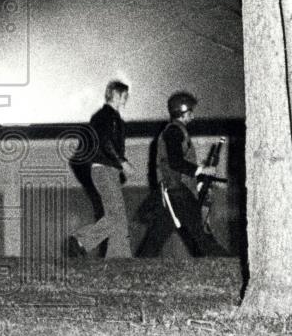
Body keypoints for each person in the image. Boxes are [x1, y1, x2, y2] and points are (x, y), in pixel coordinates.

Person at [135, 91, 219, 258]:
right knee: (201, 232)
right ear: (183, 112)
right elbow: (175, 162)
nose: (193, 116)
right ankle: (223, 262)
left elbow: (176, 161)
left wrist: (197, 167)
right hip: (177, 191)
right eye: (190, 112)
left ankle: (140, 264)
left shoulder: (175, 131)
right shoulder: (174, 131)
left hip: (173, 191)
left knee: (157, 235)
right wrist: (202, 170)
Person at [68, 80, 133, 259]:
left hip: (107, 170)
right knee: (115, 215)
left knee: (118, 215)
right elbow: (105, 141)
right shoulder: (106, 116)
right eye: (124, 96)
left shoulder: (110, 117)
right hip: (104, 170)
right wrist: (122, 162)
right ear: (115, 95)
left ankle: (119, 256)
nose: (126, 99)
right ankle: (81, 241)